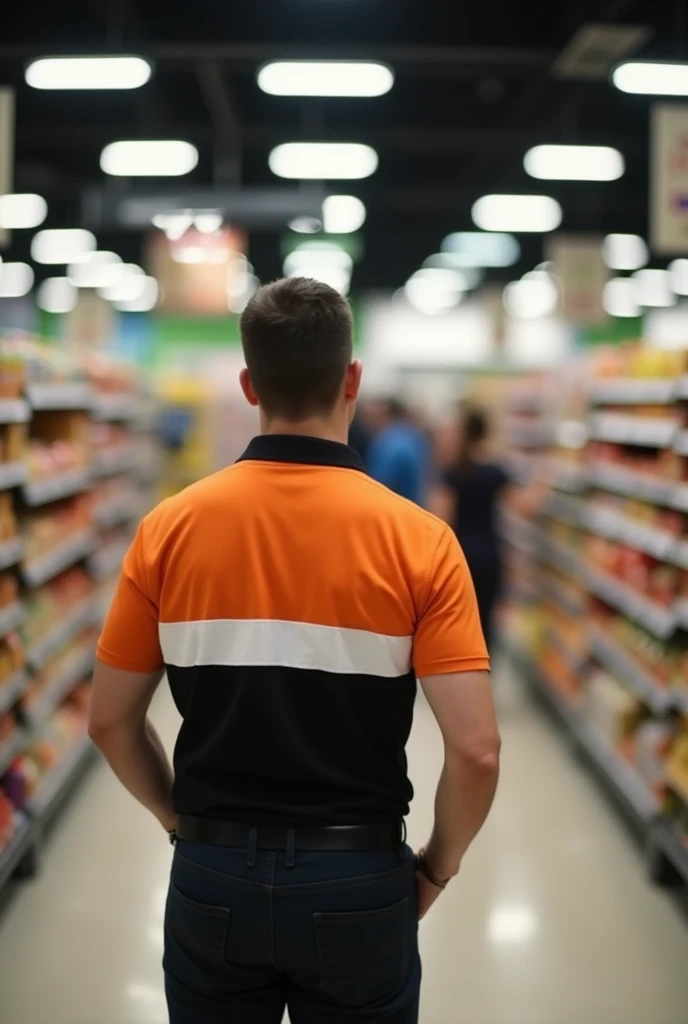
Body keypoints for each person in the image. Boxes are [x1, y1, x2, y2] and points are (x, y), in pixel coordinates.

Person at [89, 278, 500, 1024]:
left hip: (210, 873)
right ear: (352, 379)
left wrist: (178, 821)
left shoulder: (167, 530)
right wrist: (438, 866)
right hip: (360, 877)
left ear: (249, 385)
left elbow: (110, 722)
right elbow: (476, 751)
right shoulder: (421, 542)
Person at [434, 406, 513, 653]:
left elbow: (440, 518)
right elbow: (524, 506)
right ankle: (485, 670)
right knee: (485, 620)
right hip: (490, 554)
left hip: (460, 555)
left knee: (458, 620)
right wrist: (545, 478)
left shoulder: (453, 471)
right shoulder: (496, 470)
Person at [366, 397, 429, 505]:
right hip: (414, 506)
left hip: (391, 506)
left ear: (385, 415)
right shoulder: (414, 436)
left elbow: (380, 481)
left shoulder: (386, 441)